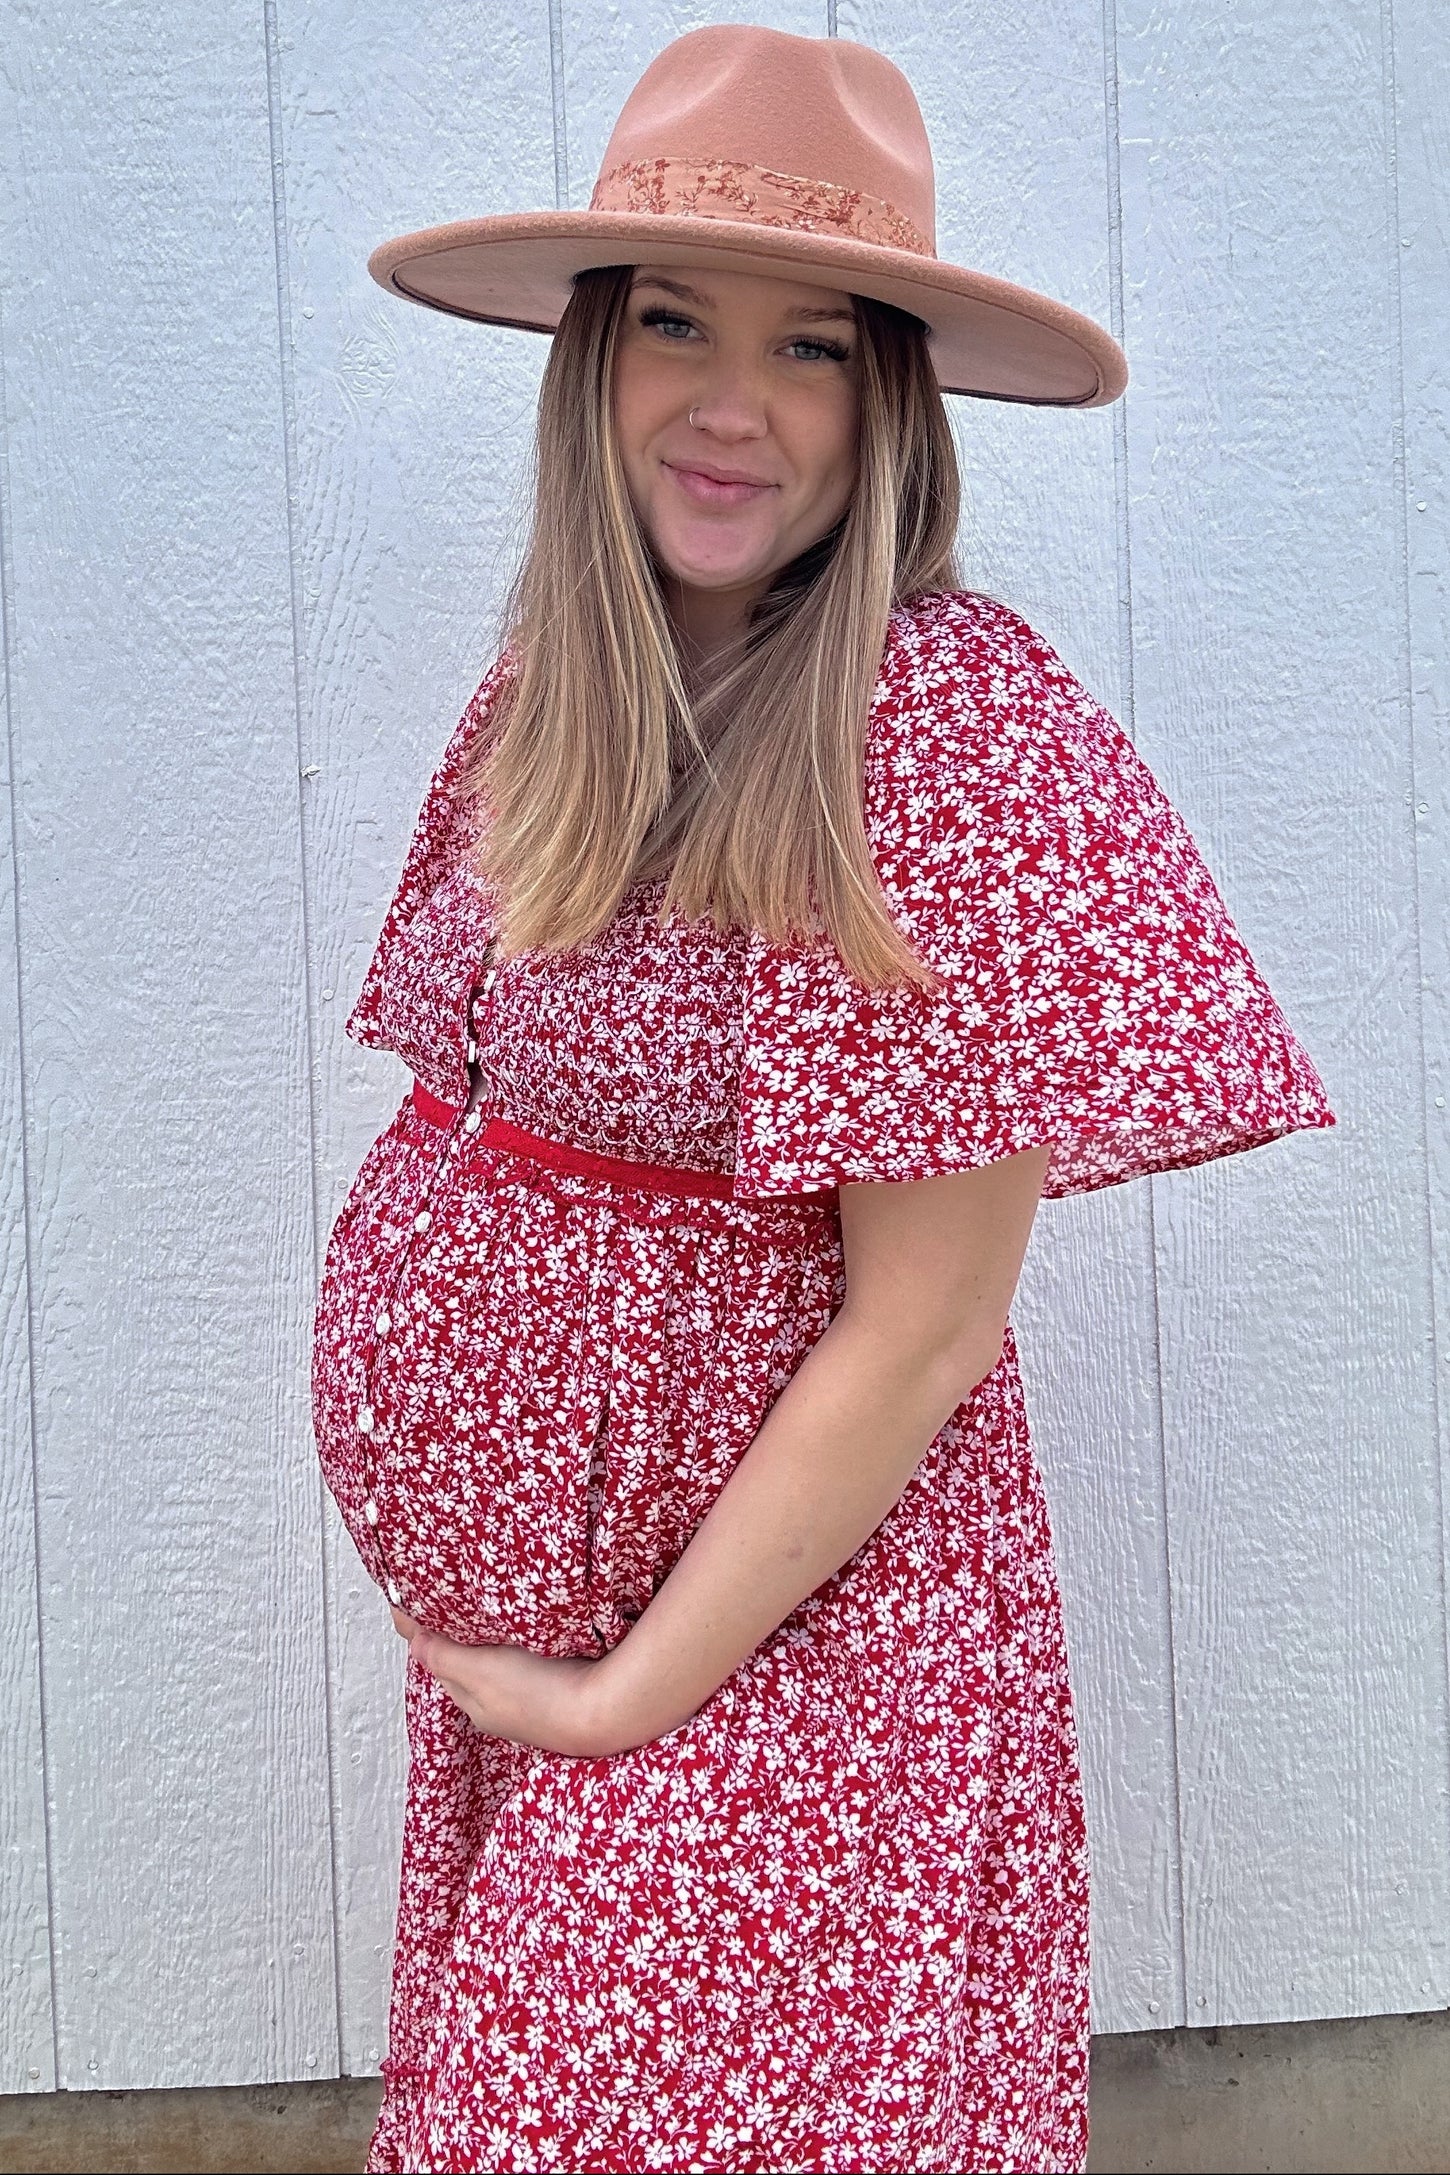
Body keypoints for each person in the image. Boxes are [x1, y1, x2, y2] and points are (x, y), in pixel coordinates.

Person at [310, 25, 1335, 2175]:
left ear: (887, 408)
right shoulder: (563, 689)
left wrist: (620, 1697)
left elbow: (924, 1327)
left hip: (793, 1654)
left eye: (807, 349)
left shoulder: (937, 722)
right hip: (573, 1650)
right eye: (672, 324)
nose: (728, 403)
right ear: (589, 360)